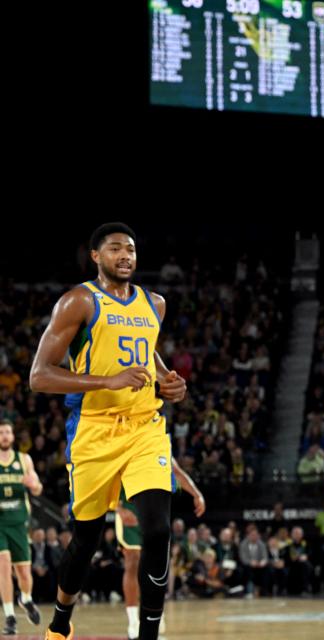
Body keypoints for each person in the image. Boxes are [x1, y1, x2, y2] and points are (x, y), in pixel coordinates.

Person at [30, 223, 187, 640]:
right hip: (94, 433)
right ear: (96, 256)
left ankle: (148, 635)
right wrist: (106, 380)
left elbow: (147, 350)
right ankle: (61, 620)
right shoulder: (77, 301)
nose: (126, 255)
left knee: (157, 529)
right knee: (85, 539)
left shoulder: (155, 304)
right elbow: (39, 376)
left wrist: (169, 380)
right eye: (116, 248)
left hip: (144, 430)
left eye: (131, 249)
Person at [115, 458, 204, 639]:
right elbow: (109, 477)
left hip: (154, 509)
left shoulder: (160, 441)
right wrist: (118, 509)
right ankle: (133, 622)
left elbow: (177, 471)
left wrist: (196, 494)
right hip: (129, 507)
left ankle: (151, 615)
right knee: (132, 561)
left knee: (154, 562)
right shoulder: (125, 437)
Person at [0, 421, 43, 634]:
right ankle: (9, 616)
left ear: (13, 436)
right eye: (1, 433)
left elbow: (38, 489)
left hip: (18, 522)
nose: (5, 436)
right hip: (0, 523)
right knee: (4, 565)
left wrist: (33, 485)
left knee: (24, 574)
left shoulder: (24, 460)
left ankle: (25, 599)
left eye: (8, 432)